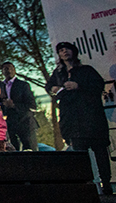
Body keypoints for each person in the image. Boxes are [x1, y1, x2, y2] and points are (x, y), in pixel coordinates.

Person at [47, 42, 111, 194]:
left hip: (91, 118)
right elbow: (49, 87)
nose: (64, 52)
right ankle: (87, 186)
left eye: (67, 49)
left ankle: (106, 183)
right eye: (61, 50)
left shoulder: (86, 70)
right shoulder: (58, 73)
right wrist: (53, 89)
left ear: (73, 52)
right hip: (72, 120)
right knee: (80, 155)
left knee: (100, 152)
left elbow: (98, 85)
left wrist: (78, 85)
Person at [0, 62, 38, 151]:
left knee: (29, 149)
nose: (8, 70)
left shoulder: (23, 85)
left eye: (10, 68)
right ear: (2, 71)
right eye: (5, 68)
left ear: (15, 70)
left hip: (25, 122)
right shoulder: (0, 86)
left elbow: (31, 105)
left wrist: (14, 105)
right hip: (10, 123)